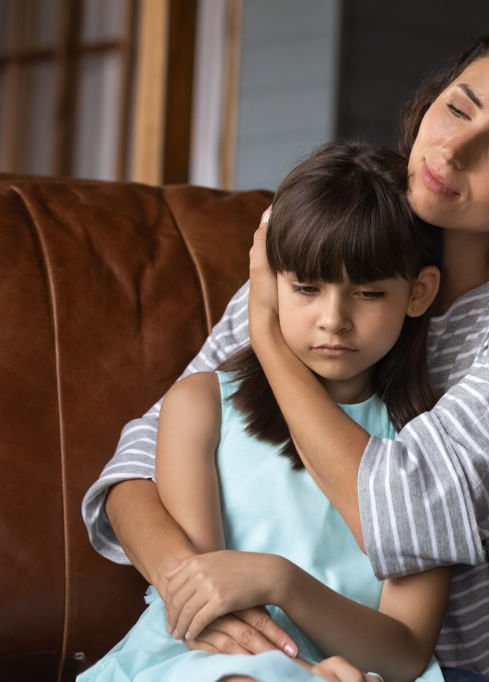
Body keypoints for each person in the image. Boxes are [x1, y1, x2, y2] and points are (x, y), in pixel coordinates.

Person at [82, 10, 489, 682]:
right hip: (330, 656)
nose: (450, 152)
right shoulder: (336, 250)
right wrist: (195, 591)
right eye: (456, 109)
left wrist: (272, 345)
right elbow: (142, 457)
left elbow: (409, 511)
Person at [80, 141, 446, 682]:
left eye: (367, 293)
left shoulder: (427, 444)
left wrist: (285, 583)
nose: (333, 319)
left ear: (418, 293)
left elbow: (406, 652)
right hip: (200, 660)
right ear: (267, 284)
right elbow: (200, 606)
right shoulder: (201, 405)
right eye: (305, 288)